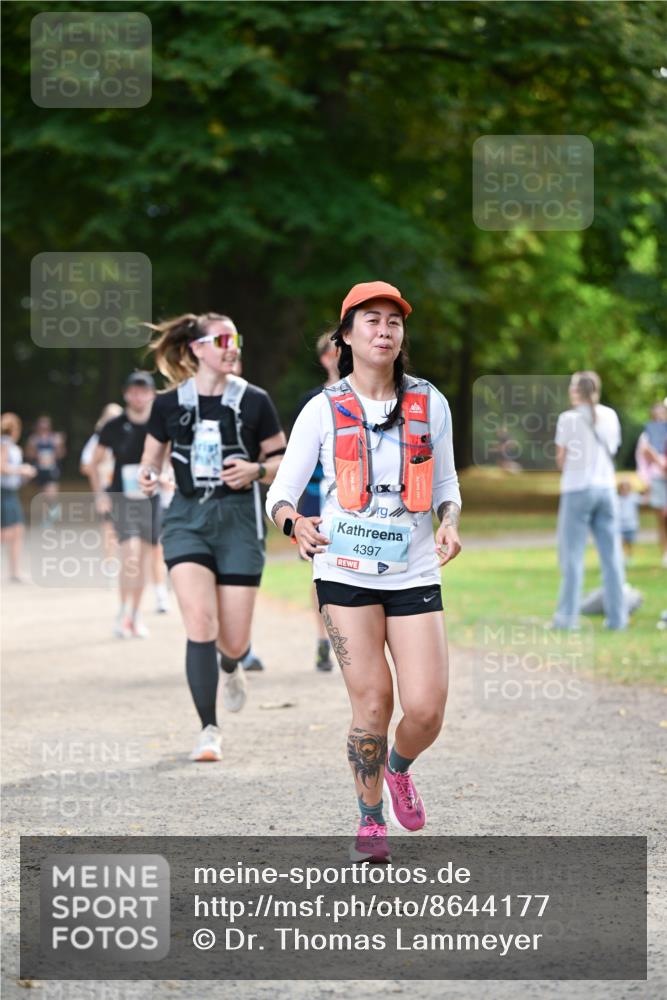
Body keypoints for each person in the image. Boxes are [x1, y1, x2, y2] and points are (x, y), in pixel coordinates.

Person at [266, 281, 462, 860]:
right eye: (371, 321)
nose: (384, 331)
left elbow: (446, 485)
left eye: (394, 323)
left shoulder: (430, 402)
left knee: (425, 708)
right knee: (372, 702)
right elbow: (281, 494)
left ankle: (400, 769)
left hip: (415, 571)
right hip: (344, 572)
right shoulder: (322, 410)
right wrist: (295, 525)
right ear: (346, 336)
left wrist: (448, 520)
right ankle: (370, 816)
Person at [137, 312, 286, 762]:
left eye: (236, 338)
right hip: (187, 518)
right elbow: (152, 459)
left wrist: (257, 470)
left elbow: (284, 459)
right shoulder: (168, 405)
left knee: (234, 640)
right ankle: (208, 729)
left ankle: (231, 663)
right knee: (200, 621)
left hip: (240, 520)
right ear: (198, 348)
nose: (231, 345)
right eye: (222, 338)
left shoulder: (255, 401)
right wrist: (148, 475)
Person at [88, 373, 161, 639]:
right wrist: (100, 494)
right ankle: (122, 611)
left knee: (142, 559)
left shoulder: (158, 424)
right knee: (129, 555)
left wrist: (166, 480)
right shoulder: (114, 425)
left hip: (150, 499)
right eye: (133, 391)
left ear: (152, 394)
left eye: (143, 391)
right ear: (126, 394)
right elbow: (94, 463)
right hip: (122, 497)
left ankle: (135, 614)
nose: (138, 396)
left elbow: (169, 457)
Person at [552, 371, 626, 630]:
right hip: (606, 489)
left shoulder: (567, 419)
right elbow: (614, 449)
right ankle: (618, 619)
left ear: (575, 391)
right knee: (612, 557)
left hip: (577, 490)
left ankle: (566, 619)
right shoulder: (610, 415)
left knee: (572, 556)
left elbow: (561, 459)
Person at [291, 331, 341, 672]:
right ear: (325, 358)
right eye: (336, 350)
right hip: (315, 496)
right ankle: (323, 638)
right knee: (320, 569)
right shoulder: (312, 401)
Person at [1, 413, 37, 581]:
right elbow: (2, 467)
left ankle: (15, 572)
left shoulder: (13, 447)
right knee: (7, 533)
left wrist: (24, 473)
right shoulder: (4, 445)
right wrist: (21, 469)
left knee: (18, 531)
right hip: (3, 492)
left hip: (11, 492)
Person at [635, 402, 667, 567]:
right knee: (662, 517)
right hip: (656, 479)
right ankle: (665, 554)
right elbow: (642, 463)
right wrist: (646, 482)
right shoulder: (646, 437)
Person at [25, 415, 66, 524]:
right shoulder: (34, 439)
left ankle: (54, 510)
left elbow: (61, 454)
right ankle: (46, 518)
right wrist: (34, 451)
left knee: (51, 494)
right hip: (39, 470)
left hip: (51, 471)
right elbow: (29, 455)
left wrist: (59, 445)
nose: (43, 429)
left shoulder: (55, 439)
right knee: (42, 495)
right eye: (41, 427)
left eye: (46, 427)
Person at [617, 478, 643, 565]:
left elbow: (644, 500)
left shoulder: (634, 497)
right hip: (620, 525)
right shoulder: (617, 499)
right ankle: (622, 557)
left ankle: (629, 557)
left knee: (629, 542)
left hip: (631, 524)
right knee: (621, 541)